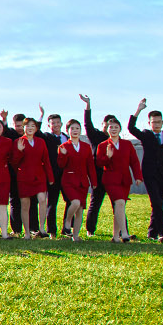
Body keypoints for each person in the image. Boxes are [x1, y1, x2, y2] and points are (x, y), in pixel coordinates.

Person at [128, 99, 163, 243]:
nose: (156, 124)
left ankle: (152, 232)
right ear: (149, 123)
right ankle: (162, 233)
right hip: (149, 174)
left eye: (159, 122)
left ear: (162, 122)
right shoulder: (146, 135)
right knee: (156, 202)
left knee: (158, 203)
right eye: (154, 122)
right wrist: (138, 110)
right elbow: (131, 128)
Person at [96, 116, 143, 243]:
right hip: (110, 179)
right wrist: (108, 157)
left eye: (116, 127)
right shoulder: (102, 145)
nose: (113, 129)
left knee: (119, 207)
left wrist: (138, 176)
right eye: (111, 127)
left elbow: (134, 161)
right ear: (107, 129)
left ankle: (116, 236)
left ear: (120, 129)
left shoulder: (127, 144)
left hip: (125, 180)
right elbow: (99, 163)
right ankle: (125, 233)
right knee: (120, 203)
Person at [13, 118, 53, 240]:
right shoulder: (18, 141)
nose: (30, 128)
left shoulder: (41, 141)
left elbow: (46, 160)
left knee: (42, 199)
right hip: (24, 177)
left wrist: (50, 177)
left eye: (32, 126)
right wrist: (19, 151)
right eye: (27, 126)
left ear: (36, 128)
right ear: (23, 127)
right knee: (25, 205)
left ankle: (42, 228)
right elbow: (14, 162)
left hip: (39, 177)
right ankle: (26, 232)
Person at [57, 119, 96, 241]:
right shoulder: (64, 146)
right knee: (75, 203)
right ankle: (67, 221)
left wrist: (94, 182)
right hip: (69, 181)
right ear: (67, 131)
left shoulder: (86, 147)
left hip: (82, 182)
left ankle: (76, 236)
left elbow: (90, 165)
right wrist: (63, 155)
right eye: (72, 129)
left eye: (77, 128)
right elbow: (61, 165)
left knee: (80, 210)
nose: (75, 131)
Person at [79, 94, 111, 236]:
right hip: (98, 175)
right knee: (95, 202)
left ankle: (123, 231)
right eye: (107, 125)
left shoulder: (116, 140)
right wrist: (88, 105)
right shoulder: (96, 135)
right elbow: (87, 124)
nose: (110, 128)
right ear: (103, 124)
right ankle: (90, 230)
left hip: (112, 175)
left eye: (113, 126)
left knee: (118, 204)